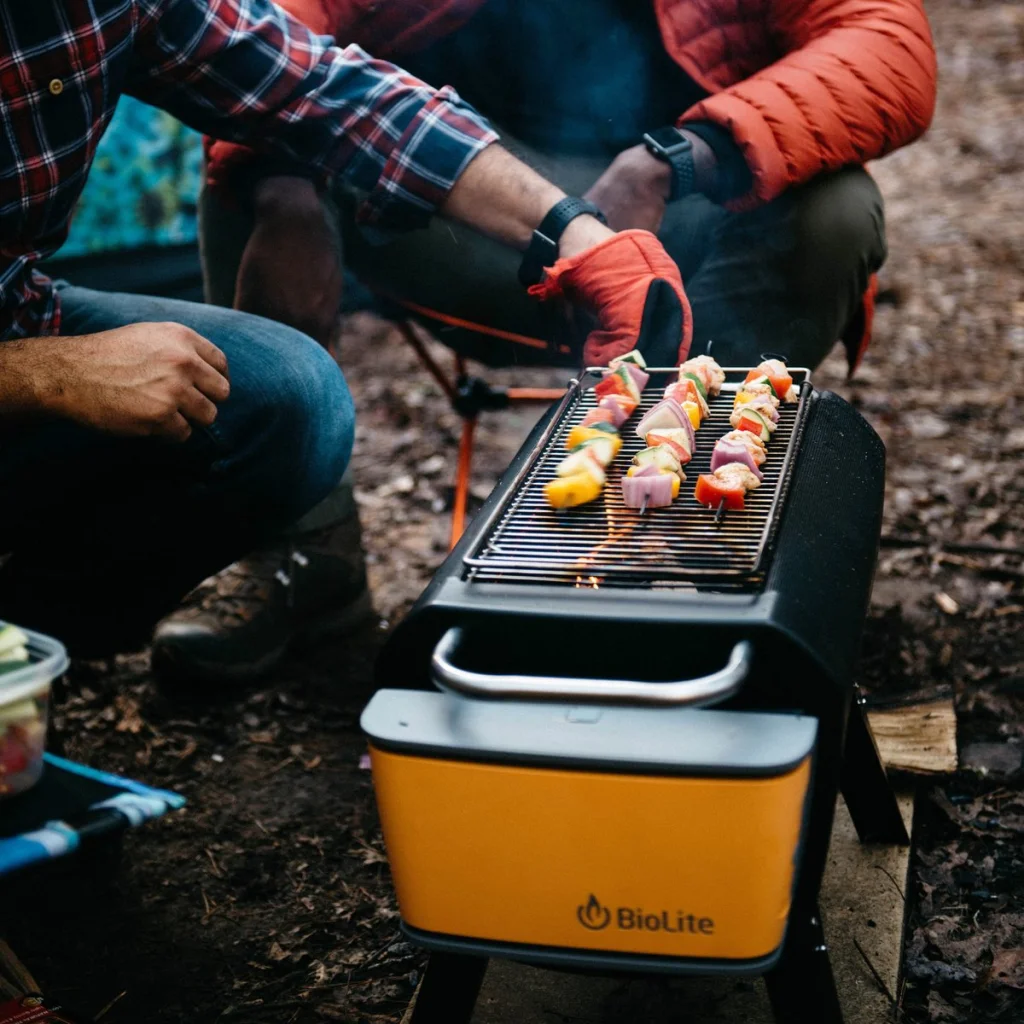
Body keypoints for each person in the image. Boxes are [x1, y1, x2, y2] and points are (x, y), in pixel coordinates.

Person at [169, 0, 937, 683]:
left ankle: (690, 541)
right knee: (252, 177)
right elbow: (271, 28)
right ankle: (305, 555)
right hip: (475, 221)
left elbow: (886, 43)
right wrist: (282, 188)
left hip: (691, 220)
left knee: (834, 212)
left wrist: (674, 158)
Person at [0, 0, 693, 663]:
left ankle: (22, 644)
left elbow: (326, 91)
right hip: (20, 361)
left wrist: (571, 231)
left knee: (287, 396)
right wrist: (49, 374)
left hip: (17, 312)